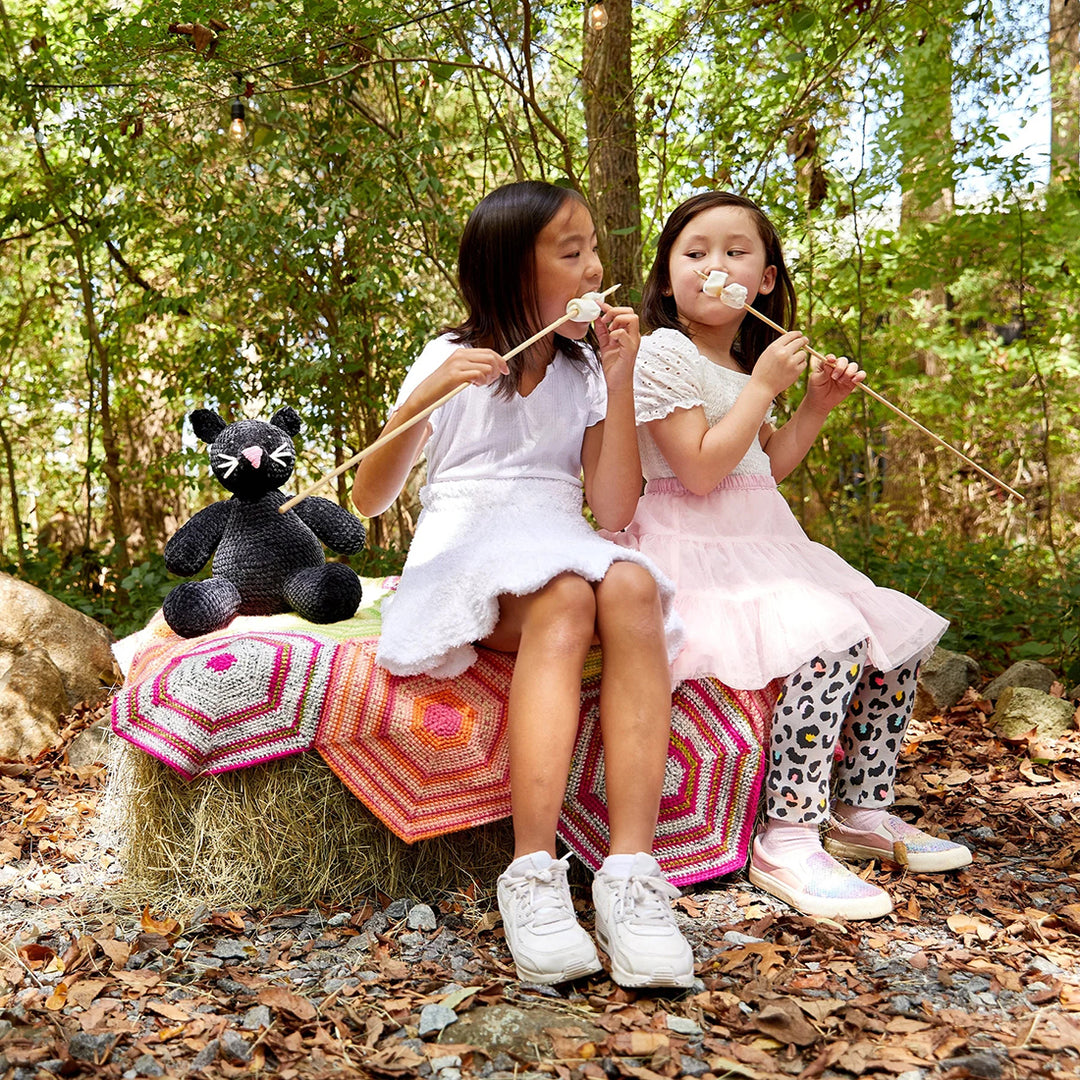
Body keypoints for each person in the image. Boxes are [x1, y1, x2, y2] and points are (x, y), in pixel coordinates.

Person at [351, 181, 695, 986]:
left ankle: (630, 875)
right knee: (567, 596)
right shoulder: (448, 357)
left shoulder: (585, 369)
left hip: (556, 530)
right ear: (511, 269)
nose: (594, 268)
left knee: (630, 587)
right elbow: (369, 498)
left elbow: (613, 509)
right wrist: (427, 394)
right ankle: (533, 873)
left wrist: (619, 378)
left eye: (593, 250)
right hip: (468, 542)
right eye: (571, 253)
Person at [609, 191, 971, 921]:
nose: (714, 265)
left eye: (735, 252)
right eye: (694, 253)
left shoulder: (743, 360)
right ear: (667, 277)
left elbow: (764, 467)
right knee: (828, 639)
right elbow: (700, 470)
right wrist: (766, 386)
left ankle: (861, 809)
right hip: (698, 544)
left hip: (767, 539)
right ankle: (790, 834)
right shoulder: (665, 352)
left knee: (893, 635)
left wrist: (812, 405)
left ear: (766, 278)